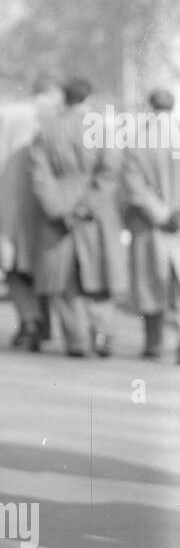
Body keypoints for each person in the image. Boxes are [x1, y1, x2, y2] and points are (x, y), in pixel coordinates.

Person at [29, 76, 125, 357]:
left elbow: (39, 175)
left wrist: (58, 209)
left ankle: (76, 340)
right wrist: (87, 206)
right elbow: (110, 171)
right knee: (100, 275)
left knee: (65, 280)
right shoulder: (101, 129)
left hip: (58, 213)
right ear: (87, 97)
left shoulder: (46, 130)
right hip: (96, 212)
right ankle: (103, 334)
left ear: (64, 97)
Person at [0, 80, 62, 350]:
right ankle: (45, 322)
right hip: (42, 196)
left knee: (13, 263)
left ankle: (29, 320)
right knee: (42, 261)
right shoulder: (54, 115)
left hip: (7, 194)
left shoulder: (9, 113)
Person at [119, 89, 180, 361]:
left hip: (150, 224)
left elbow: (133, 187)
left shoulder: (138, 139)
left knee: (150, 283)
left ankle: (153, 343)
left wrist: (160, 214)